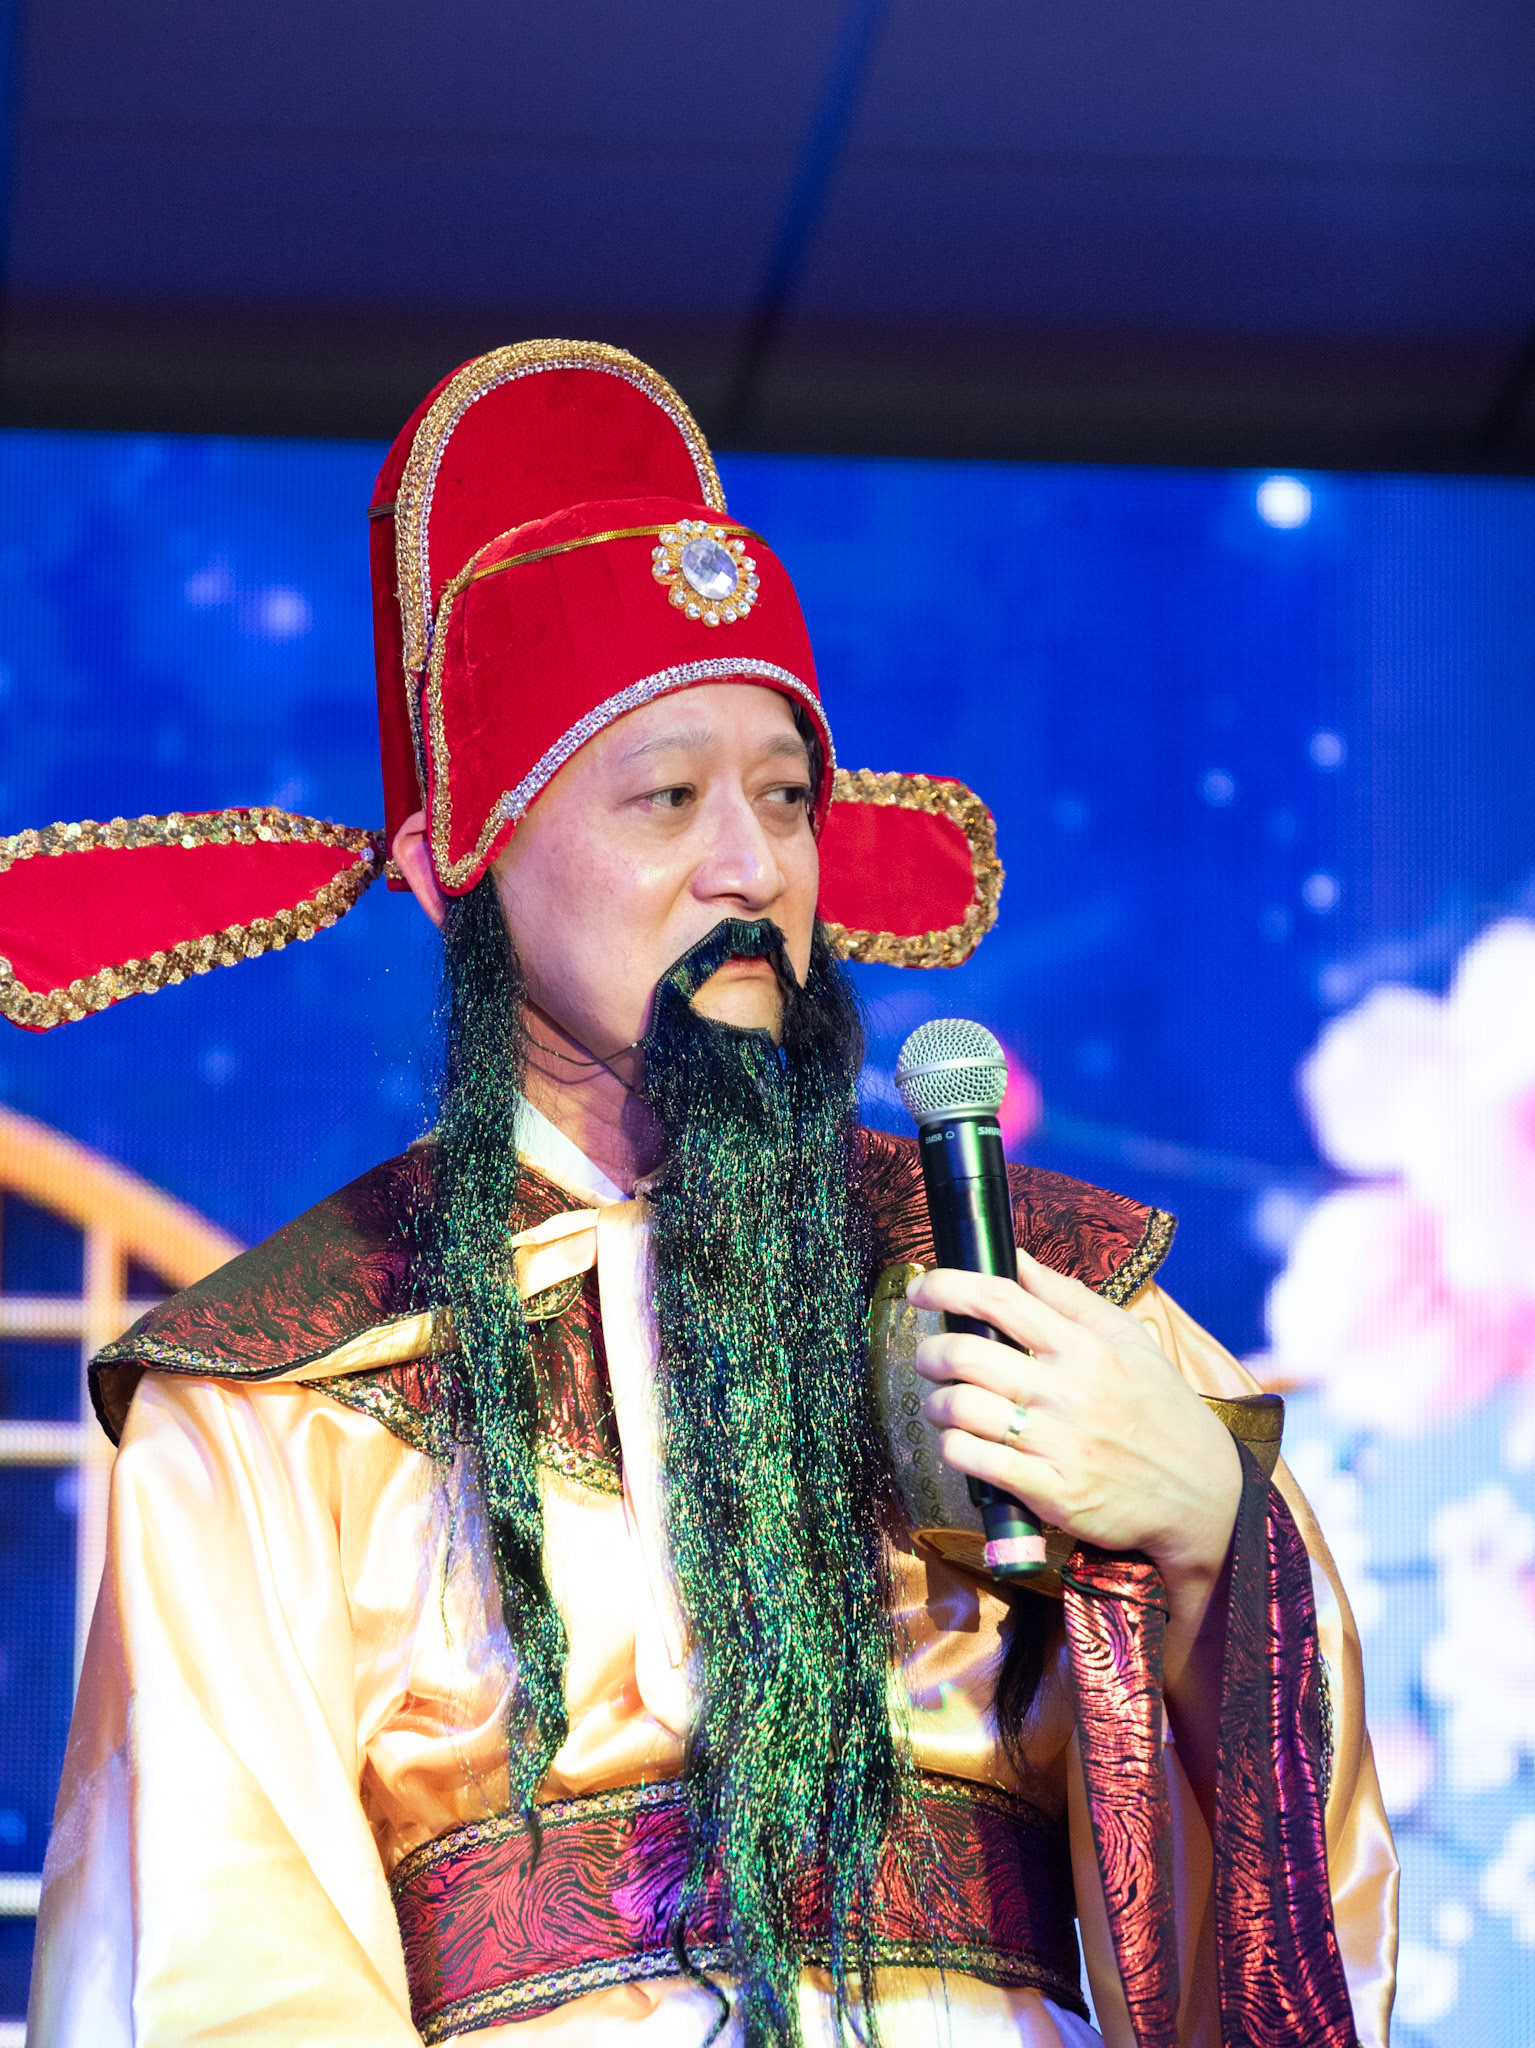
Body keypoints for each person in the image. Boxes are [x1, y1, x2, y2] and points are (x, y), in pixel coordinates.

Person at [9, 343, 1396, 2047]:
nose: (751, 868)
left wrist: (1212, 1553)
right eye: (667, 798)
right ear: (464, 863)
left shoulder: (1040, 1293)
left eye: (787, 798)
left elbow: (1298, 1926)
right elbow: (214, 1970)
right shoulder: (278, 1401)